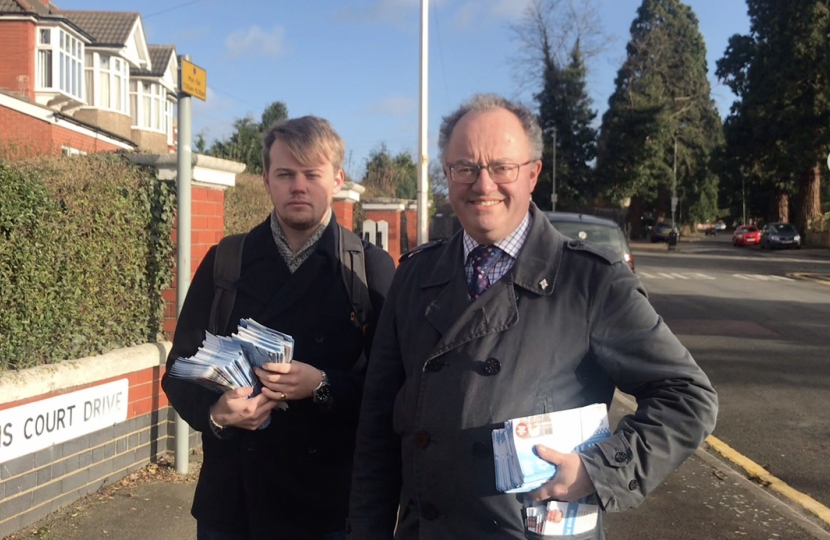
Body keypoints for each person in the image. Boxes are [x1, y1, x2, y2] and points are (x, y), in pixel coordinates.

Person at [348, 94, 718, 539]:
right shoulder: (414, 277)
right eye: (465, 168)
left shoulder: (591, 281)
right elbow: (377, 432)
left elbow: (687, 396)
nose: (483, 185)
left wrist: (598, 470)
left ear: (532, 174)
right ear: (447, 176)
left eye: (502, 167)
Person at [162, 115, 395, 540]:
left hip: (329, 508)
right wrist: (217, 414)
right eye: (285, 174)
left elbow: (391, 389)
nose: (298, 186)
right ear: (267, 180)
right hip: (232, 505)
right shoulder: (225, 262)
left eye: (312, 174)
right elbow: (179, 370)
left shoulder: (368, 269)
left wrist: (322, 385)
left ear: (337, 180)